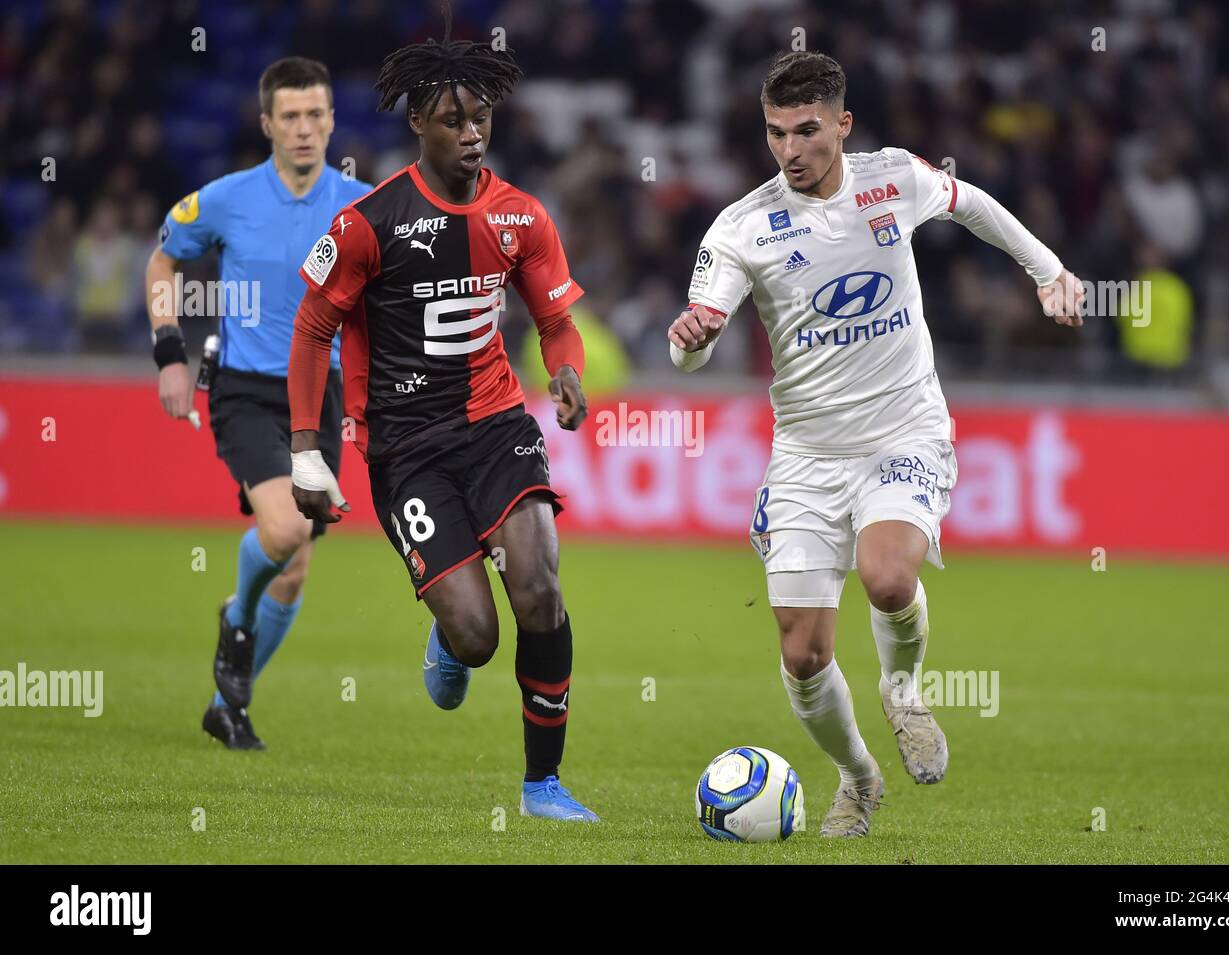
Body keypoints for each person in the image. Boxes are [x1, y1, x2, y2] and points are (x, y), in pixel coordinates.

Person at [668, 51, 1084, 837]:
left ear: (843, 125)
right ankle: (858, 777)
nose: (790, 149)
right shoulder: (743, 227)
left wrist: (1047, 267)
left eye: (808, 131)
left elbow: (972, 203)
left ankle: (903, 693)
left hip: (904, 429)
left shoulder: (894, 178)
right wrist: (692, 339)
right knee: (801, 651)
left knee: (888, 576)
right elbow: (694, 342)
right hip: (806, 453)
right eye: (775, 133)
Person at [287, 34, 599, 822]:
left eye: (481, 115)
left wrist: (567, 371)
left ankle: (542, 786)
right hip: (405, 447)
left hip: (497, 423)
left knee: (540, 586)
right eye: (453, 118)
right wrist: (305, 450)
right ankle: (447, 633)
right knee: (477, 636)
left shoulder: (522, 215)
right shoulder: (368, 224)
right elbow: (311, 328)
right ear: (417, 123)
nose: (471, 131)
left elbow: (556, 320)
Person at [144, 57, 370, 749]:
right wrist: (169, 353)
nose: (304, 129)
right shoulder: (225, 199)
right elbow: (163, 261)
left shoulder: (363, 205)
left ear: (332, 120)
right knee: (285, 532)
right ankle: (237, 614)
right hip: (245, 389)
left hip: (321, 396)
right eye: (290, 117)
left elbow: (380, 308)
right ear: (267, 123)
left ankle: (226, 706)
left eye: (316, 115)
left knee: (296, 569)